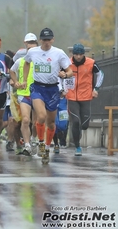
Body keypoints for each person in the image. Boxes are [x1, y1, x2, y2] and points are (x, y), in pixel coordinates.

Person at [21, 28, 73, 164]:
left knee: (50, 122)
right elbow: (26, 63)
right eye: (44, 40)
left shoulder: (58, 53)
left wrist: (65, 75)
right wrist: (25, 79)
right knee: (41, 116)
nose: (46, 42)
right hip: (37, 88)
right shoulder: (33, 52)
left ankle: (48, 147)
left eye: (49, 39)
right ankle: (41, 142)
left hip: (53, 90)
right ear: (40, 40)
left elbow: (70, 71)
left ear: (53, 39)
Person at [65, 43, 104, 156]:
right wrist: (62, 89)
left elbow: (100, 74)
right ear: (73, 54)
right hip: (72, 96)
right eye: (76, 54)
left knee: (85, 125)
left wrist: (96, 88)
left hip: (86, 96)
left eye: (81, 54)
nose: (78, 56)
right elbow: (60, 75)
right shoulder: (67, 63)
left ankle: (79, 130)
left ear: (83, 54)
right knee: (76, 121)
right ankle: (77, 147)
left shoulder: (91, 63)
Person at [10, 33, 39, 156]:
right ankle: (27, 145)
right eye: (29, 49)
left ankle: (33, 139)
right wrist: (16, 82)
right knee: (25, 120)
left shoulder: (40, 62)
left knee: (37, 123)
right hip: (24, 94)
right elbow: (11, 71)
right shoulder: (21, 61)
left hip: (38, 94)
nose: (30, 51)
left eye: (33, 49)